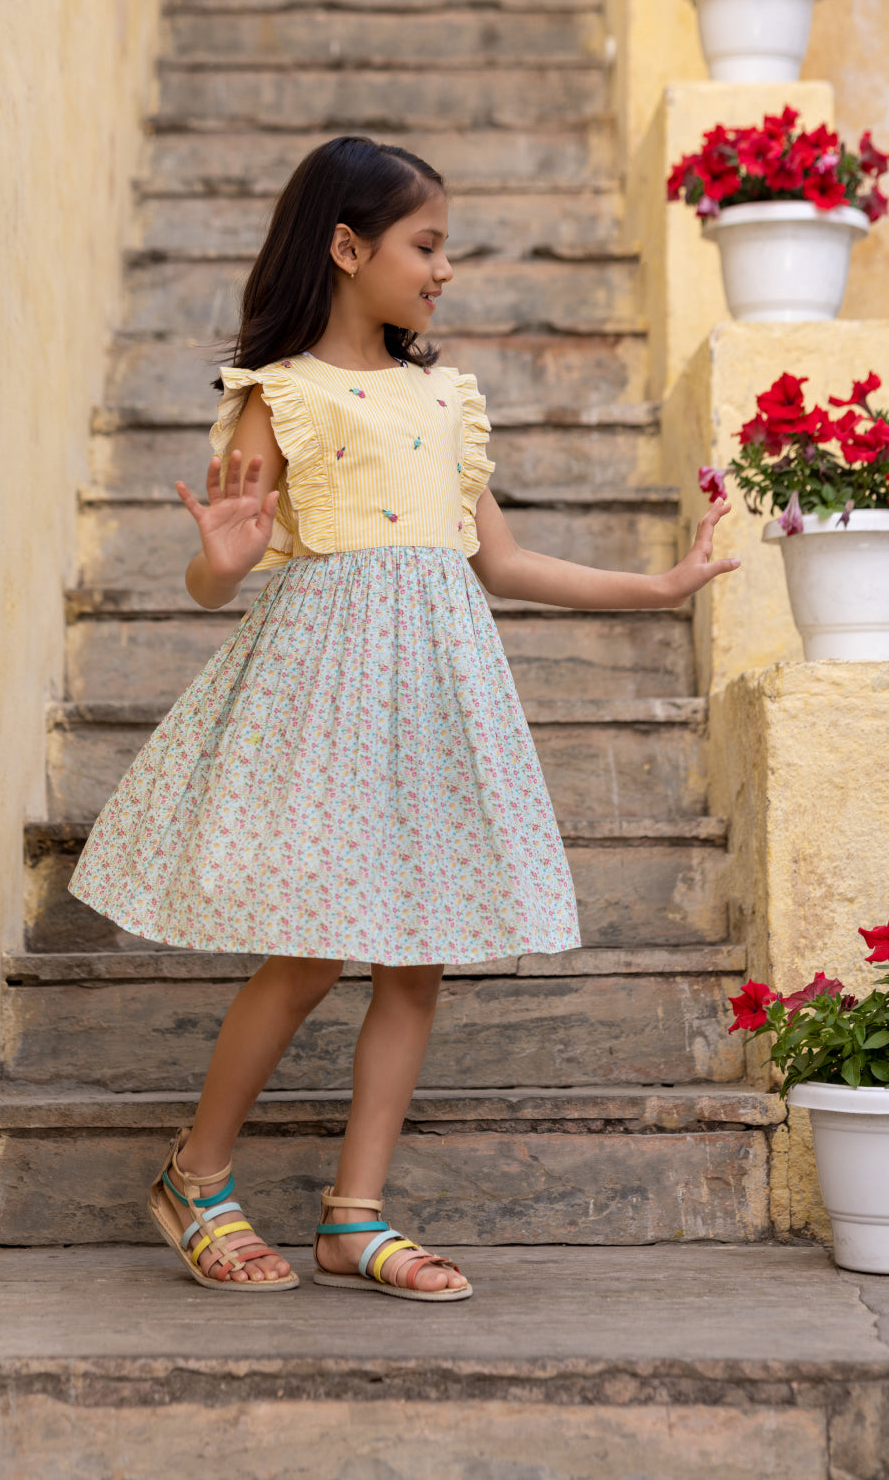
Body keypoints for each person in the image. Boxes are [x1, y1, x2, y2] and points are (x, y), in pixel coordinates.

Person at [68, 135, 739, 1303]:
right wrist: (219, 561)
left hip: (431, 699)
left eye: (445, 248)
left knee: (416, 958)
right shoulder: (280, 395)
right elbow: (216, 576)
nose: (443, 269)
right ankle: (197, 1179)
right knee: (308, 949)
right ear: (346, 247)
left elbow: (503, 560)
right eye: (425, 245)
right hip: (320, 693)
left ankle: (354, 1217)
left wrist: (658, 587)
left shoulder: (443, 396)